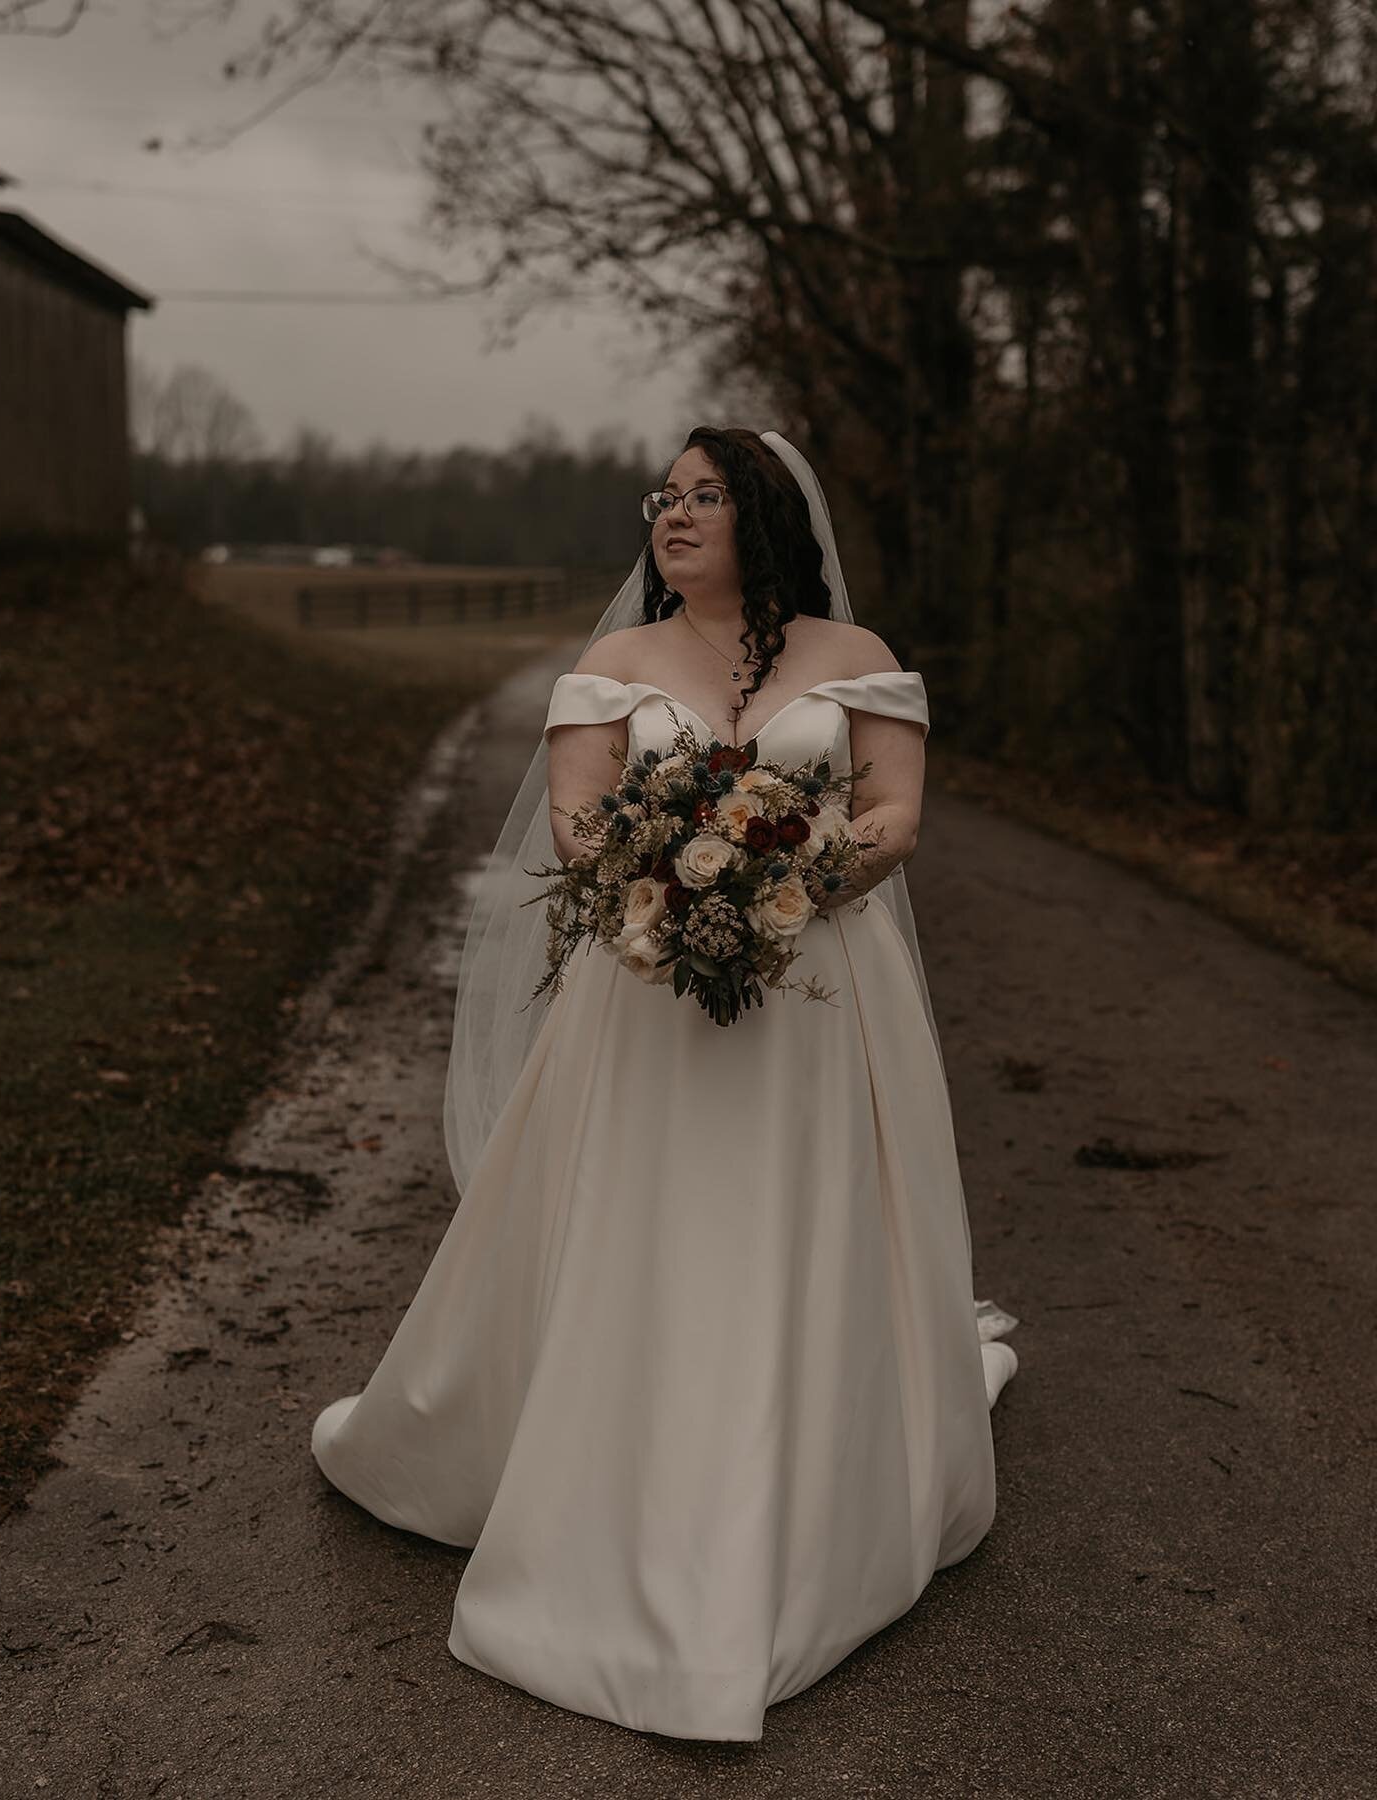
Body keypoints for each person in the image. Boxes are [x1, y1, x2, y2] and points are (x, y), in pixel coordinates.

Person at [310, 425, 1018, 1743]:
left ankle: (793, 1512)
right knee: (649, 1233)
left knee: (791, 1235)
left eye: (705, 495)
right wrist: (674, 881)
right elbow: (581, 826)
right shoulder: (617, 664)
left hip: (822, 1004)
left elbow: (894, 818)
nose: (675, 515)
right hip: (643, 1001)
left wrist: (778, 887)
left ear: (765, 512)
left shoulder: (854, 661)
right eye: (665, 496)